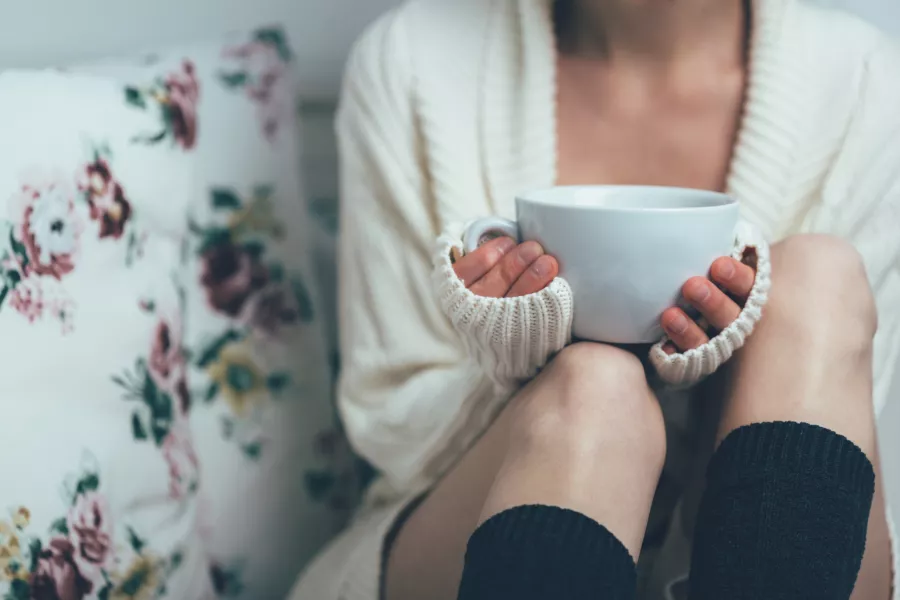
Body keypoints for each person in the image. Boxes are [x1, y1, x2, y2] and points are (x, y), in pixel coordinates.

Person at [292, 0, 900, 598]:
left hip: (790, 552)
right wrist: (521, 366)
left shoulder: (866, 80)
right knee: (593, 389)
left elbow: (837, 465)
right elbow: (389, 435)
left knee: (818, 273)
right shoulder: (413, 61)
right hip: (454, 539)